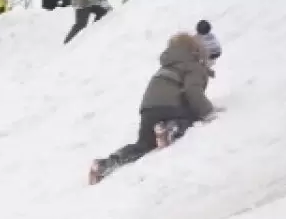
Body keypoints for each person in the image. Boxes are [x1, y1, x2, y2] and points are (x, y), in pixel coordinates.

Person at [89, 33, 215, 185]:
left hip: (148, 108)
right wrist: (208, 112)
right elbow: (192, 91)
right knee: (192, 116)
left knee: (143, 144)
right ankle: (170, 129)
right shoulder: (193, 66)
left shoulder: (167, 64)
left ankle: (105, 164)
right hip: (170, 105)